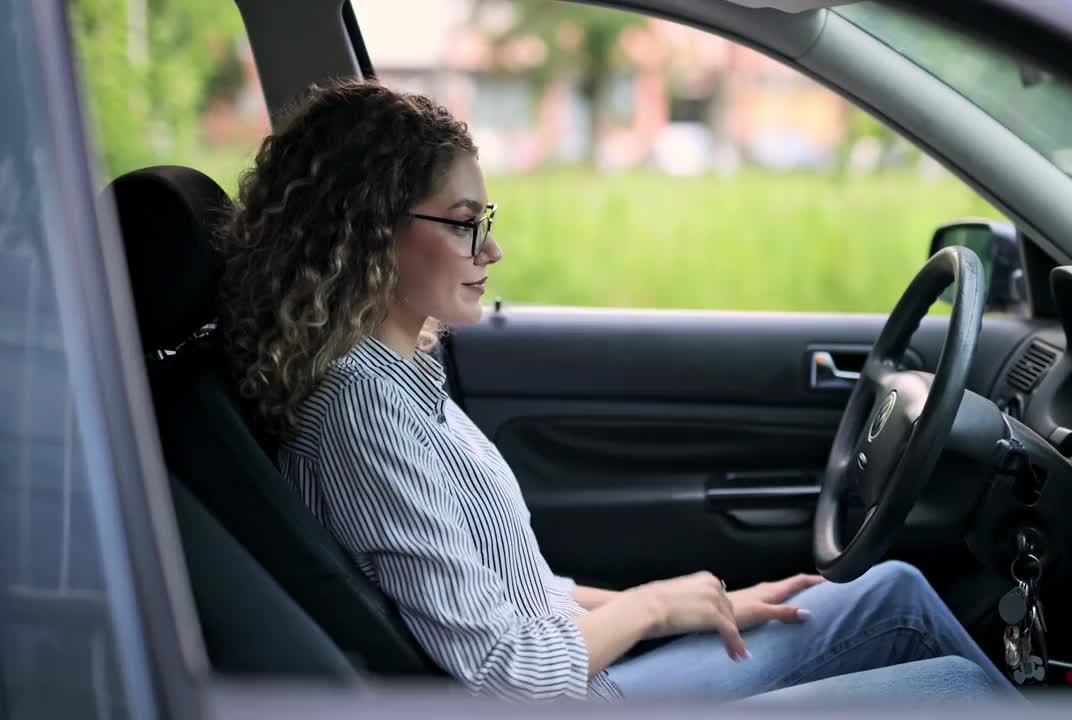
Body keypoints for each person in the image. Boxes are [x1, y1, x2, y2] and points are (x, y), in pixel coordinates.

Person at [215, 80, 1012, 704]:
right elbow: (508, 675)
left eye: (484, 217)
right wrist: (656, 611)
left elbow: (511, 590)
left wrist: (704, 602)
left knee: (895, 590)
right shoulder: (362, 414)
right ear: (368, 232)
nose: (491, 248)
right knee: (959, 690)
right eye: (463, 222)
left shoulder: (401, 381)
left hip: (582, 679)